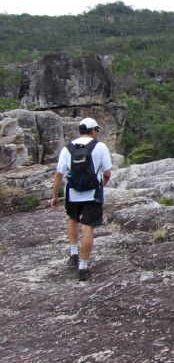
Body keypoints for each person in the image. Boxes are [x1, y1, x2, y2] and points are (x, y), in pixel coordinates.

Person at [50, 117, 112, 281]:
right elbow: (107, 173)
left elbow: (58, 174)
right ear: (93, 131)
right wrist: (103, 184)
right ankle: (83, 267)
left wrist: (55, 196)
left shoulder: (68, 148)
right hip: (93, 193)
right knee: (88, 228)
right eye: (96, 130)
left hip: (72, 193)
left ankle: (73, 254)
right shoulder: (100, 147)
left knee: (72, 219)